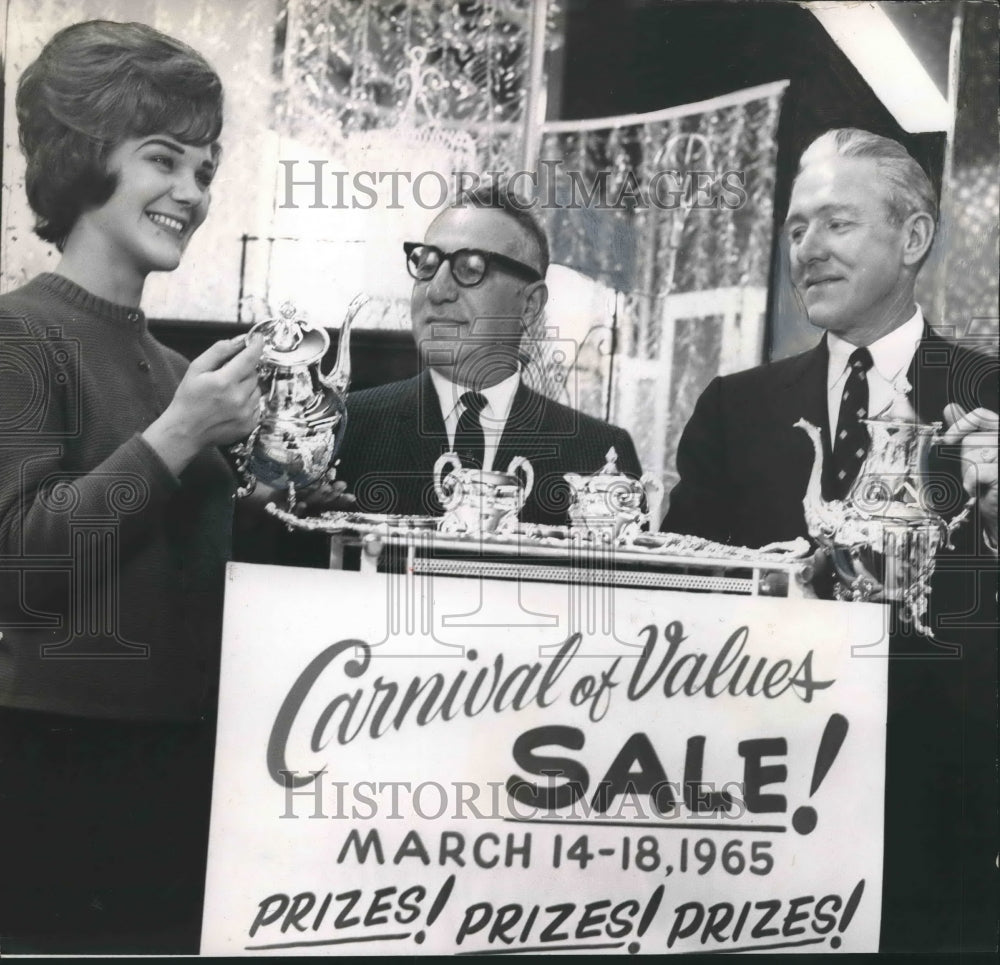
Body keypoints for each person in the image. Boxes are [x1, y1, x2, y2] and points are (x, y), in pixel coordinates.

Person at [662, 128, 998, 953]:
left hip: (944, 829)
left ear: (913, 238)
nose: (807, 247)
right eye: (795, 227)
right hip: (762, 819)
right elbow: (673, 607)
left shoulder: (994, 398)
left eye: (836, 223)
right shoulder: (732, 409)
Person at [0, 21, 264, 954]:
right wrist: (181, 434)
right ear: (83, 156)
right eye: (165, 160)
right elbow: (20, 564)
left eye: (205, 168)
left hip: (181, 773)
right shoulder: (18, 336)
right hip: (48, 774)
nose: (192, 193)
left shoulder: (173, 366)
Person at [336, 182, 642, 525]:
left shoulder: (598, 453)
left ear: (530, 304)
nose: (436, 291)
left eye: (470, 268)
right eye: (427, 264)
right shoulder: (344, 429)